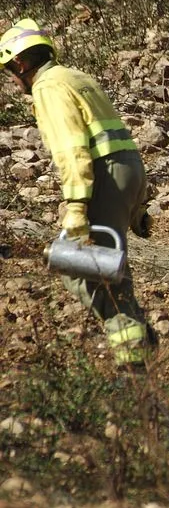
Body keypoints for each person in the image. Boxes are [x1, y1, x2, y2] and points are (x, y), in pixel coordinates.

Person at [0, 18, 156, 368]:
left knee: (90, 272)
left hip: (103, 176)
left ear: (20, 63)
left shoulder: (48, 88)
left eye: (9, 71)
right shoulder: (76, 77)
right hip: (127, 172)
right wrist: (137, 206)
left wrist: (75, 207)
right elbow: (120, 142)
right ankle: (137, 345)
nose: (11, 79)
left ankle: (134, 362)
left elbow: (73, 152)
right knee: (102, 265)